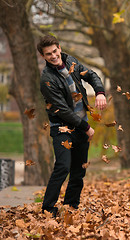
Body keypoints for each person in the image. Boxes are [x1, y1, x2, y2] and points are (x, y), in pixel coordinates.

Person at [37, 35, 107, 216]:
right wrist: (86, 127)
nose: (53, 56)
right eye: (48, 54)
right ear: (43, 56)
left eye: (54, 51)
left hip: (81, 125)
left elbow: (91, 74)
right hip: (61, 128)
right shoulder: (47, 79)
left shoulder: (71, 61)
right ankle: (48, 208)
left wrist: (99, 92)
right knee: (63, 166)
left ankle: (70, 206)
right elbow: (62, 110)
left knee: (79, 170)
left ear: (59, 48)